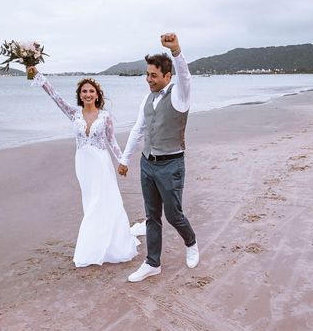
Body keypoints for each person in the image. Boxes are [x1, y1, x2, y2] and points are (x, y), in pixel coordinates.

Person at [27, 66, 140, 267]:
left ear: (97, 95)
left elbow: (111, 141)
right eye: (84, 91)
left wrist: (122, 161)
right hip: (83, 164)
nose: (88, 94)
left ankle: (96, 248)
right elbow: (56, 97)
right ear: (80, 95)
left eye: (91, 91)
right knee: (90, 202)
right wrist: (39, 77)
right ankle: (97, 241)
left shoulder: (105, 116)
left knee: (102, 201)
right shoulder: (74, 113)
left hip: (101, 163)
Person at [117, 32, 199, 282]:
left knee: (173, 215)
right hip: (147, 164)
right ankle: (153, 263)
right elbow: (138, 129)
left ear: (167, 75)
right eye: (147, 74)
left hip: (170, 165)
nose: (148, 79)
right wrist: (124, 158)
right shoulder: (147, 98)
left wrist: (176, 52)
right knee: (152, 216)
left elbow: (185, 76)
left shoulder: (179, 95)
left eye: (153, 75)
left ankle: (191, 242)